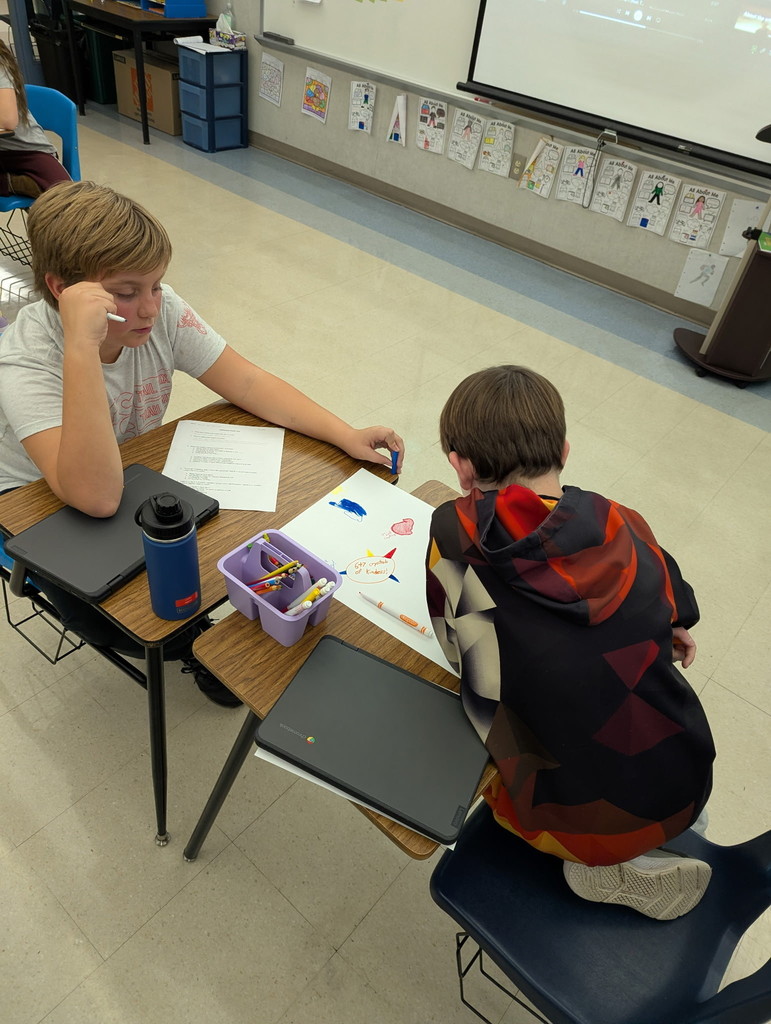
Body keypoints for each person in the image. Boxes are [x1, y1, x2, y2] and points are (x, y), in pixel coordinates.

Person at [0, 180, 404, 707]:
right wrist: (82, 343)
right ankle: (195, 645)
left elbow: (247, 383)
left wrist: (344, 433)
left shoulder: (159, 310)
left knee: (217, 546)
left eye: (156, 285)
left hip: (131, 471)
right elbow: (95, 497)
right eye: (126, 292)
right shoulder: (27, 358)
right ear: (61, 290)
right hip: (40, 502)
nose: (149, 308)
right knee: (132, 627)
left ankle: (210, 631)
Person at [426, 365, 716, 920]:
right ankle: (648, 846)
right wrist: (670, 624)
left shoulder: (451, 536)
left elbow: (471, 665)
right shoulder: (621, 523)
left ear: (460, 468)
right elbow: (676, 602)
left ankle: (599, 862)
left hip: (560, 813)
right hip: (684, 776)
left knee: (501, 727)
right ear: (564, 449)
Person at [0, 40, 71, 197]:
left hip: (24, 150)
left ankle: (14, 183)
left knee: (68, 200)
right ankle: (11, 182)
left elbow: (8, 120)